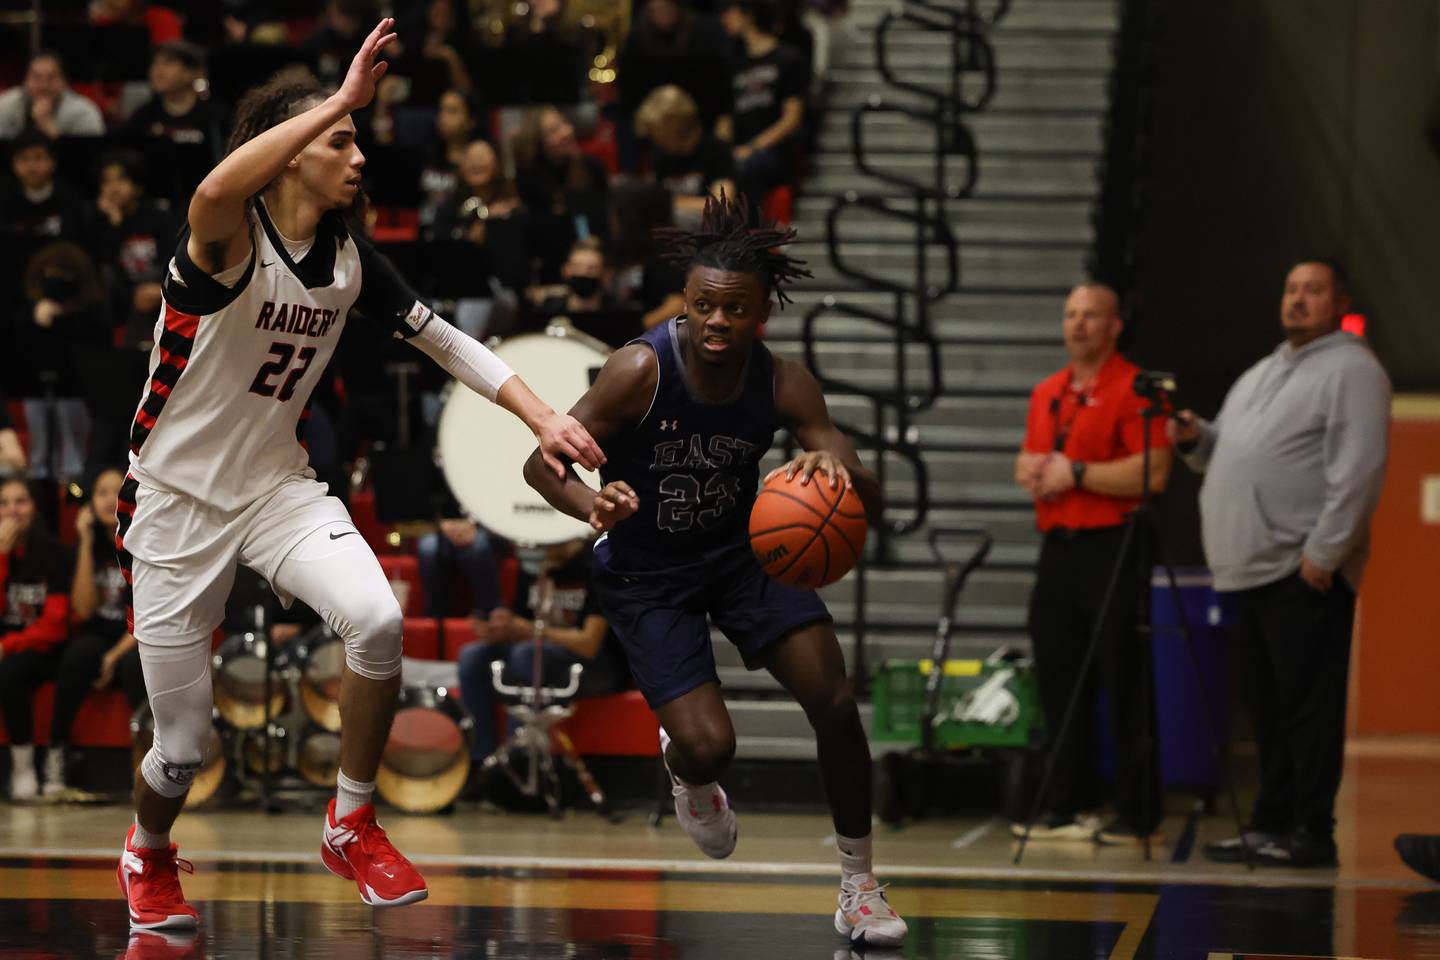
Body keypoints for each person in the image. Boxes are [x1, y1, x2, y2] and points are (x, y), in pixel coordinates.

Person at [112, 19, 604, 930]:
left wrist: (547, 416)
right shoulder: (225, 239)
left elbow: (453, 344)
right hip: (176, 501)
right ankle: (147, 850)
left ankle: (351, 821)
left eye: (356, 135)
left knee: (376, 618)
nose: (359, 152)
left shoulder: (346, 263)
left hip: (274, 488)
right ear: (291, 155)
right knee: (182, 748)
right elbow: (216, 184)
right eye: (340, 140)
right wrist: (334, 98)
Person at [524, 193, 906, 949]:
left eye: (735, 309)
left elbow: (872, 493)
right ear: (687, 303)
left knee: (833, 699)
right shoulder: (639, 370)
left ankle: (859, 885)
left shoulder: (784, 382)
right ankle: (689, 770)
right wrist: (590, 505)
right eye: (704, 306)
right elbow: (542, 465)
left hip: (743, 556)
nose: (717, 323)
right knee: (710, 746)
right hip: (645, 570)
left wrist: (834, 471)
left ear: (763, 310)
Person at [1172, 260, 1391, 868]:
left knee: (1308, 709)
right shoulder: (1263, 371)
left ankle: (1311, 831)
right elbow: (1230, 452)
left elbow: (1361, 467)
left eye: (1312, 290)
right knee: (1268, 709)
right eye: (1291, 289)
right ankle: (1270, 821)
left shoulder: (1353, 369)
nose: (1297, 300)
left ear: (1338, 301)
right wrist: (1197, 438)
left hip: (1303, 569)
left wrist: (1326, 552)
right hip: (1250, 570)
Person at [1013, 283, 1170, 845]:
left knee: (1124, 675)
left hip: (1115, 544)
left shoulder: (1135, 389)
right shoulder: (1047, 392)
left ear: (1114, 325)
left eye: (1090, 316)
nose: (1077, 325)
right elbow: (1036, 459)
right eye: (1070, 315)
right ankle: (1066, 802)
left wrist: (1075, 473)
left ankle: (1137, 809)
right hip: (1059, 547)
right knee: (1058, 675)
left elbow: (1152, 473)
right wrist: (1031, 470)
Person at [455, 537, 626, 768]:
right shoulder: (534, 567)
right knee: (472, 656)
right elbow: (522, 627)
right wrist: (502, 629)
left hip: (596, 667)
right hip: (539, 654)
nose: (534, 546)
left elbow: (589, 644)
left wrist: (532, 630)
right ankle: (477, 761)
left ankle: (521, 761)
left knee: (525, 654)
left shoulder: (597, 564)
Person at [45, 467, 147, 798]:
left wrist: (113, 657)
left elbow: (146, 613)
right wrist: (86, 542)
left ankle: (145, 764)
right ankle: (57, 753)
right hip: (99, 633)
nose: (108, 500)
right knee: (77, 656)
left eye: (116, 491)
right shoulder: (86, 546)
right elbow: (85, 608)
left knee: (134, 664)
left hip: (135, 635)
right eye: (101, 493)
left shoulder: (140, 541)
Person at [0, 476, 75, 801]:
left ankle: (24, 766)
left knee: (11, 671)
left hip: (43, 649)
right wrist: (1, 557)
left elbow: (55, 626)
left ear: (35, 508)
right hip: (7, 645)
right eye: (4, 503)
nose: (12, 510)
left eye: (21, 501)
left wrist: (7, 647)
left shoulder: (55, 553)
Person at [717, 0, 807, 205]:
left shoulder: (788, 58)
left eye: (729, 12)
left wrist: (753, 147)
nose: (724, 19)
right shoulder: (733, 62)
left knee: (746, 170)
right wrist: (722, 149)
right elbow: (726, 117)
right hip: (739, 149)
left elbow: (792, 119)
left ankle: (747, 234)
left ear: (747, 14)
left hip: (774, 150)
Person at [634, 85, 737, 222]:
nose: (654, 139)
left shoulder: (715, 149)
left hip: (715, 235)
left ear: (676, 125)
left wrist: (669, 203)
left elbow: (721, 208)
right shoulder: (662, 158)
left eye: (657, 131)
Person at [123, 41, 225, 161]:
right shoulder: (143, 115)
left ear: (191, 72)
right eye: (154, 63)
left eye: (168, 63)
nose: (157, 72)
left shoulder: (215, 115)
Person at [0, 52, 106, 140]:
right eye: (36, 77)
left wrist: (47, 125)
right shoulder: (5, 105)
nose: (43, 86)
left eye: (52, 78)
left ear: (64, 82)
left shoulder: (83, 112)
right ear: (25, 80)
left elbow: (92, 155)